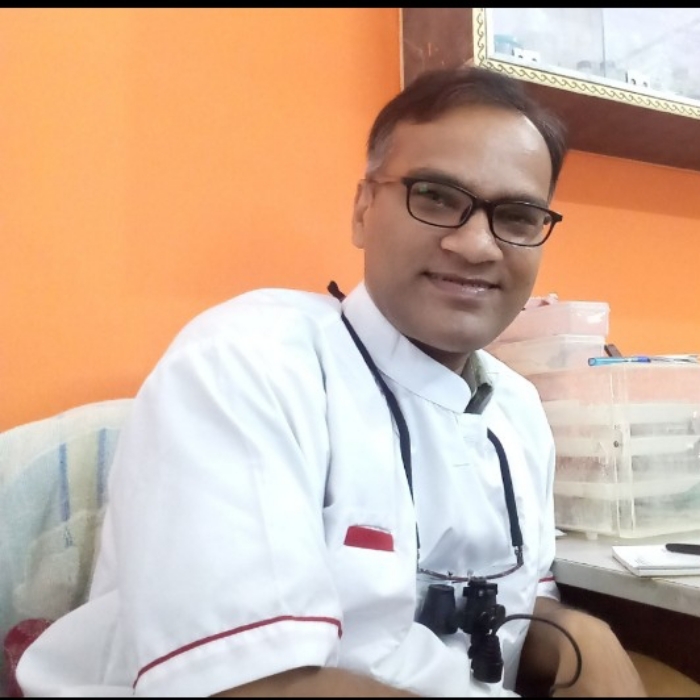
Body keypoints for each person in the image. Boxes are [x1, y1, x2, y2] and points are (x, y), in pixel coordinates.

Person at [16, 66, 652, 698]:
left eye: (516, 215)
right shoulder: (248, 365)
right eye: (435, 197)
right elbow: (253, 687)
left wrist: (577, 633)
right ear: (362, 209)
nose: (476, 244)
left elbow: (508, 613)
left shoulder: (517, 409)